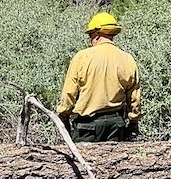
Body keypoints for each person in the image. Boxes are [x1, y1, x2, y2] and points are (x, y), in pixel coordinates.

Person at [57, 12, 141, 142]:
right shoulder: (127, 59)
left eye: (90, 35)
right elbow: (134, 96)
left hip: (87, 126)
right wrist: (134, 121)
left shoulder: (82, 57)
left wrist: (64, 115)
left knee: (82, 161)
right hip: (116, 125)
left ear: (96, 35)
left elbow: (69, 93)